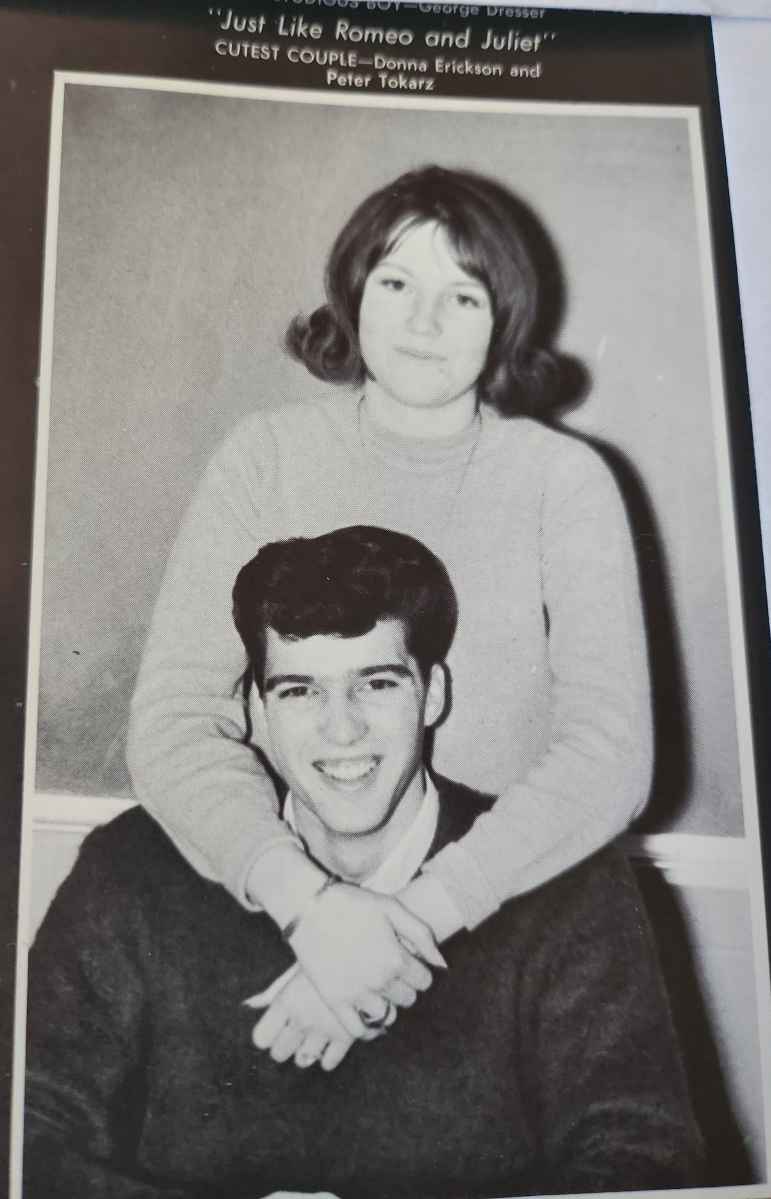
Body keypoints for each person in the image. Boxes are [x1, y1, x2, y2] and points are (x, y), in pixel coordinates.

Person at [126, 164, 652, 1057]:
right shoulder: (264, 457)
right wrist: (312, 907)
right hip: (283, 913)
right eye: (397, 283)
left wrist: (402, 924)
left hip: (496, 914)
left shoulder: (562, 480)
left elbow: (609, 751)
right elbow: (173, 721)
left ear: (503, 322)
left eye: (462, 296)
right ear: (352, 292)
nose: (421, 322)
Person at [26, 528, 700, 1199]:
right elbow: (24, 1133)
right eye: (298, 691)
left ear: (432, 693)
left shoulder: (567, 883)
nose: (340, 729)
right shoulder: (135, 866)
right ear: (255, 709)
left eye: (375, 684)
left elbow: (644, 1162)